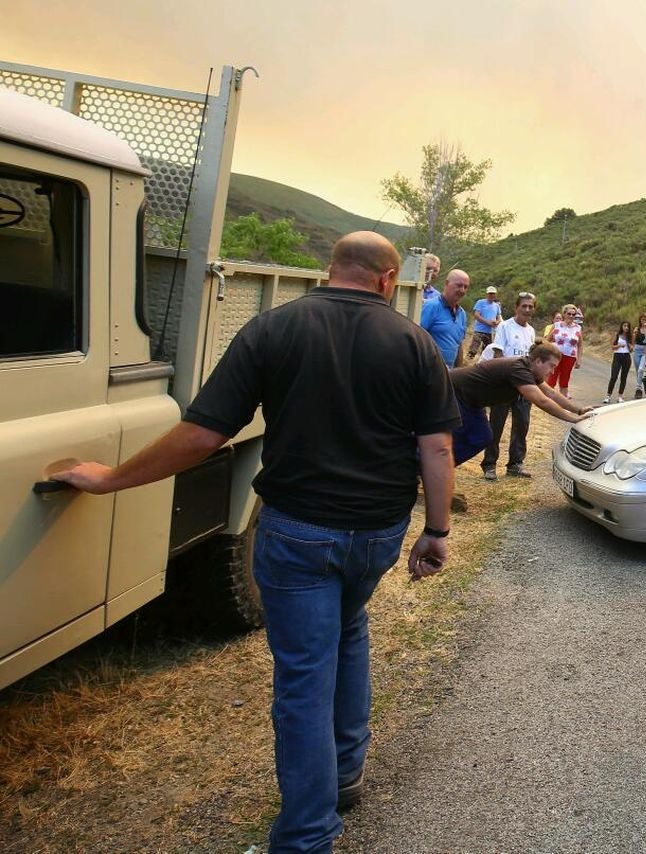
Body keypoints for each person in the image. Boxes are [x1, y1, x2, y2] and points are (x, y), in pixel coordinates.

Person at [50, 232, 460, 850]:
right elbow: (437, 446)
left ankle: (305, 836)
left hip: (296, 533)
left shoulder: (273, 329)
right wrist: (436, 530)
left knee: (303, 676)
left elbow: (201, 436)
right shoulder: (416, 344)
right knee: (348, 629)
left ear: (331, 272)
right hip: (377, 533)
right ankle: (345, 773)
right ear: (386, 279)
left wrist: (111, 478)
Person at [451, 342, 592, 466]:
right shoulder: (519, 369)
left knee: (482, 437)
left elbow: (552, 394)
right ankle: (437, 471)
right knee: (457, 438)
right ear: (538, 361)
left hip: (471, 402)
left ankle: (440, 471)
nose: (553, 371)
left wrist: (579, 410)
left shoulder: (530, 371)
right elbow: (542, 401)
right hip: (454, 392)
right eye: (551, 366)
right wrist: (573, 419)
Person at [482, 291, 538, 480]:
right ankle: (489, 464)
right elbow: (498, 353)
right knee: (496, 424)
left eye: (531, 306)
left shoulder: (530, 330)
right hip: (504, 385)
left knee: (522, 425)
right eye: (524, 306)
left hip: (524, 386)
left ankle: (515, 463)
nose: (527, 309)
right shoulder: (505, 327)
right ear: (516, 307)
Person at [420, 268, 469, 367]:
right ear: (447, 283)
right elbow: (417, 339)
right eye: (459, 285)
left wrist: (457, 373)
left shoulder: (462, 314)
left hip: (449, 375)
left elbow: (458, 345)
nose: (462, 290)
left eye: (465, 287)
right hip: (428, 373)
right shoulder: (431, 307)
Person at [546, 304, 583, 398]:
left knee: (564, 380)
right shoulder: (557, 325)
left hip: (570, 357)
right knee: (552, 379)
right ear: (564, 314)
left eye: (573, 314)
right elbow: (547, 340)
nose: (571, 316)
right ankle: (548, 402)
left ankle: (563, 403)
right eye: (569, 314)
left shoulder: (577, 328)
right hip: (556, 356)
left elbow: (580, 345)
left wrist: (579, 359)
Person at [467, 285, 502, 359]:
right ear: (487, 294)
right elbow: (476, 315)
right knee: (473, 350)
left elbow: (499, 318)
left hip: (490, 332)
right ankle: (467, 364)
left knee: (487, 352)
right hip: (479, 330)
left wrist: (496, 322)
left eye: (493, 294)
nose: (491, 295)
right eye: (490, 293)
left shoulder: (496, 306)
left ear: (495, 295)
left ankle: (482, 367)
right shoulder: (480, 302)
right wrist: (487, 322)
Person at [604, 320, 633, 404]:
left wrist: (630, 346)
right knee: (614, 376)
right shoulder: (617, 335)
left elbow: (631, 350)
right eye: (624, 326)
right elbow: (612, 347)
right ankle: (608, 396)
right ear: (621, 326)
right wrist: (619, 345)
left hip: (626, 357)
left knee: (623, 377)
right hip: (617, 356)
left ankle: (620, 396)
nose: (626, 328)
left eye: (627, 326)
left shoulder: (630, 337)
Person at [631, 313, 646, 399]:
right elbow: (633, 341)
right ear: (640, 320)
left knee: (641, 369)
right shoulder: (637, 329)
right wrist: (634, 334)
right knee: (638, 372)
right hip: (637, 350)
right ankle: (645, 386)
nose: (644, 321)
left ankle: (638, 389)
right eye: (642, 320)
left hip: (645, 351)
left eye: (645, 320)